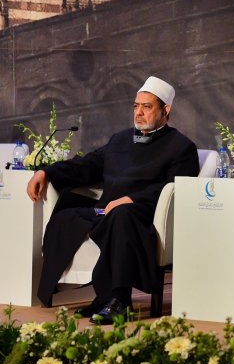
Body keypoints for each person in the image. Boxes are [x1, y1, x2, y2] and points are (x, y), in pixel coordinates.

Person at [27, 76, 199, 324]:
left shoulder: (181, 147)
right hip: (105, 211)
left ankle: (120, 301)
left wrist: (131, 199)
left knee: (121, 216)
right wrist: (46, 172)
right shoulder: (120, 140)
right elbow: (86, 165)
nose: (138, 113)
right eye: (136, 106)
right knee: (66, 216)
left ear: (165, 110)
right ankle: (101, 297)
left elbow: (177, 188)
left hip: (142, 216)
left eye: (147, 107)